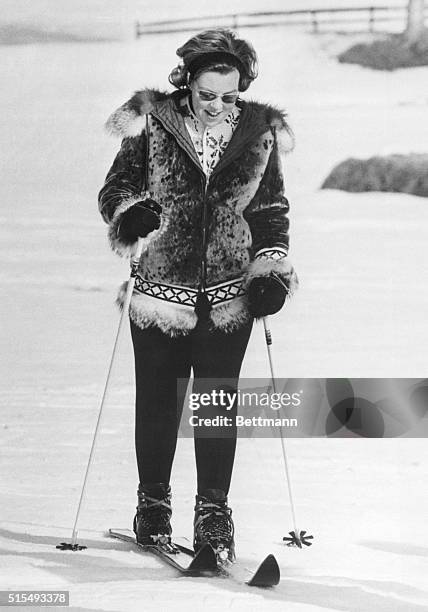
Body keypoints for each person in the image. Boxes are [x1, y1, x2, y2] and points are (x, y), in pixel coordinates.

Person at [98, 28, 298, 563]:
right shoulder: (153, 125)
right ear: (187, 82)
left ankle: (213, 515)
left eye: (228, 97)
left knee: (215, 407)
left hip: (230, 297)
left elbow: (270, 212)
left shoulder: (259, 133)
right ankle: (153, 505)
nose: (216, 106)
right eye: (206, 94)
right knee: (160, 403)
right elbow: (114, 189)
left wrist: (270, 271)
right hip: (161, 292)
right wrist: (131, 212)